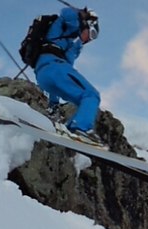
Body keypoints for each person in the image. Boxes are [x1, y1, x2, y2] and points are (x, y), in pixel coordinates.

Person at [34, 7, 100, 143]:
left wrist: (53, 102)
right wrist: (83, 15)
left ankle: (73, 129)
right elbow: (66, 13)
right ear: (87, 25)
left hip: (44, 75)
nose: (89, 39)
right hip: (54, 66)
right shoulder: (69, 23)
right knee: (91, 95)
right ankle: (80, 128)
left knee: (83, 99)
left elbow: (66, 68)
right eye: (92, 34)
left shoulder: (69, 42)